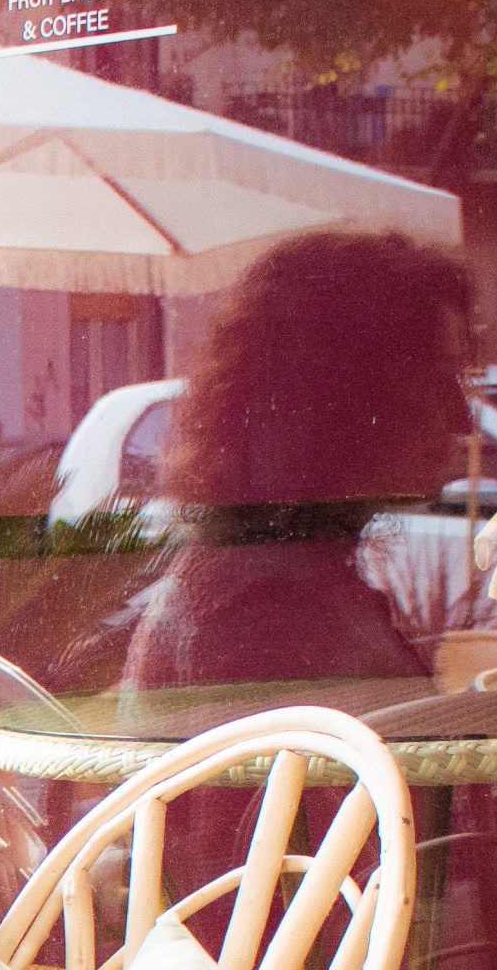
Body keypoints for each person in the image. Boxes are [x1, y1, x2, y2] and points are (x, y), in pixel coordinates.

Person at [122, 230, 477, 702]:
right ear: (339, 396)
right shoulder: (262, 614)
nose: (461, 418)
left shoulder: (285, 576)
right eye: (435, 381)